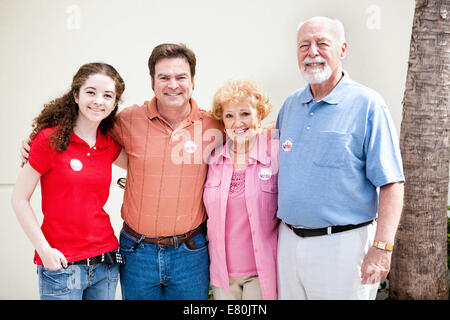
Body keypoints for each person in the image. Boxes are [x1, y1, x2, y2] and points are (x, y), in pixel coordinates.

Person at [276, 16, 405, 299]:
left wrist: (382, 249)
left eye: (322, 43)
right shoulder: (290, 106)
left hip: (343, 246)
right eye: (304, 45)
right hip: (287, 242)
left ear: (342, 49)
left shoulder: (368, 105)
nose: (312, 52)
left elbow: (392, 184)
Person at [107, 43, 223, 299]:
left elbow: (251, 132)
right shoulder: (128, 119)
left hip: (191, 253)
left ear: (192, 80)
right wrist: (37, 140)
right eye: (164, 77)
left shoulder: (213, 125)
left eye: (181, 77)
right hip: (137, 251)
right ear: (152, 82)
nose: (173, 84)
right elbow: (87, 131)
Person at [11, 62, 128, 300]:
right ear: (76, 95)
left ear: (114, 103)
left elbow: (148, 165)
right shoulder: (49, 140)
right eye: (91, 92)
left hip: (105, 263)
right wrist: (44, 250)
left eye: (108, 95)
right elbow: (19, 198)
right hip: (61, 265)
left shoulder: (109, 145)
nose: (99, 101)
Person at [204, 79, 279, 300]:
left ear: (259, 115)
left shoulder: (275, 154)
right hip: (222, 274)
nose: (238, 122)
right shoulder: (214, 159)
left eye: (245, 114)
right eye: (229, 116)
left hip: (261, 271)